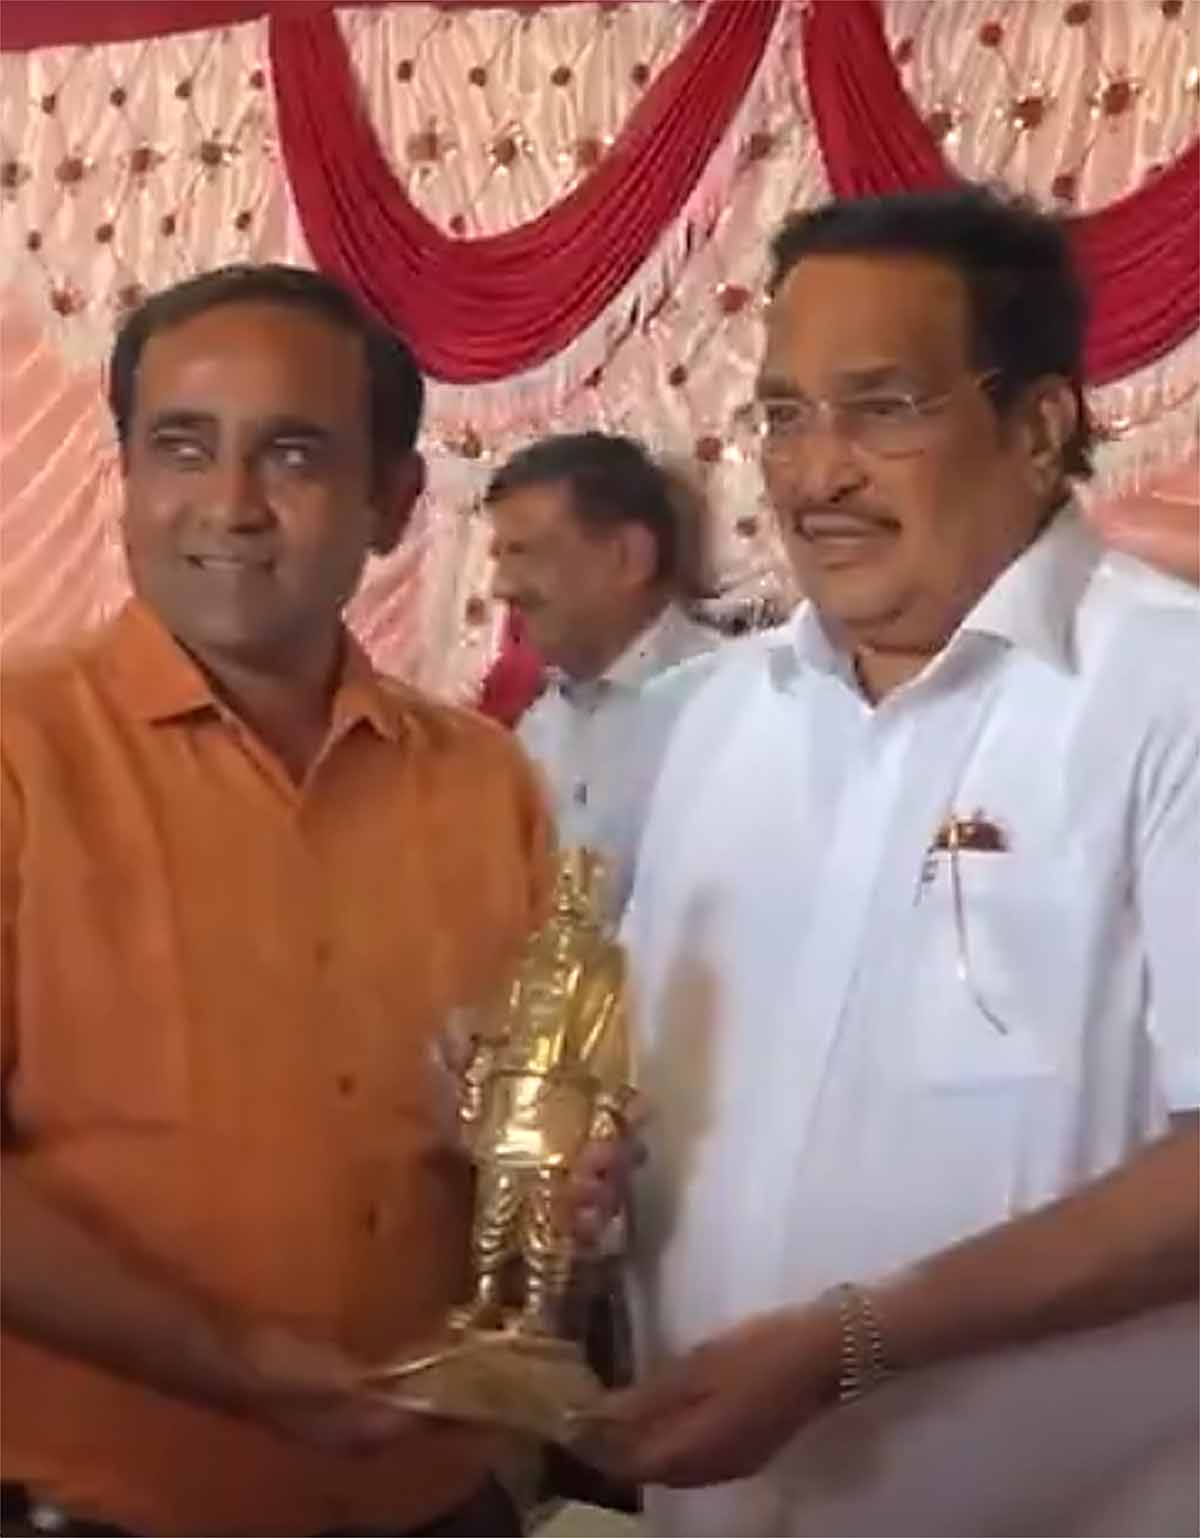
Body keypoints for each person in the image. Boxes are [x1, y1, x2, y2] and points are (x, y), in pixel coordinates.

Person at [571, 188, 1200, 1535]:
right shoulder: (714, 717)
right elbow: (655, 1084)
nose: (816, 474)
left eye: (881, 409)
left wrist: (849, 1343)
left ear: (1038, 425)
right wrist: (583, 1151)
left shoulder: (1170, 692)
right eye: (785, 415)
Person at [0, 265, 553, 1537]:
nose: (231, 504)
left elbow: (518, 1122)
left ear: (392, 502)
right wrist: (234, 1359)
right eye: (182, 446)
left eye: (293, 453)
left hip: (435, 1494)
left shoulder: (483, 780)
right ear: (125, 475)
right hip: (109, 1503)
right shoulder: (24, 756)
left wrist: (560, 1170)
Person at [487, 433, 718, 914]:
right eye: (500, 557)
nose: (501, 587)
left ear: (628, 557)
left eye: (525, 554)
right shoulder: (539, 728)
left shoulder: (732, 705)